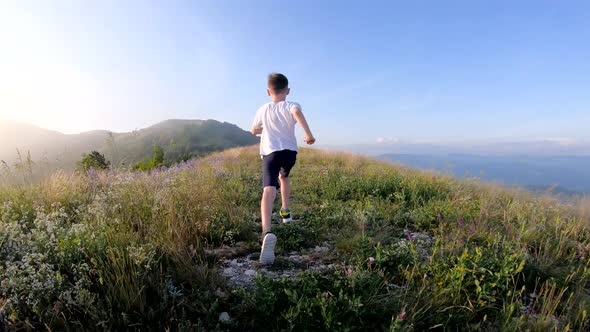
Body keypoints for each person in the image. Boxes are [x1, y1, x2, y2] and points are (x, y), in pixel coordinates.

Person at [251, 73, 315, 265]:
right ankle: (285, 211)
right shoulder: (291, 105)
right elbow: (297, 114)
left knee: (268, 188)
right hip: (289, 153)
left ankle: (266, 232)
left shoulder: (263, 109)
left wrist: (267, 129)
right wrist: (309, 134)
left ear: (268, 91)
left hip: (270, 153)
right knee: (284, 178)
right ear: (288, 90)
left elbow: (254, 131)